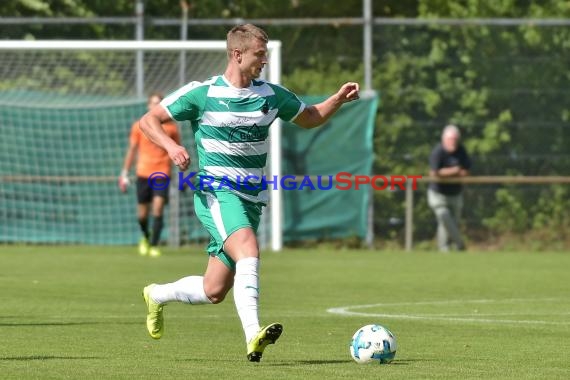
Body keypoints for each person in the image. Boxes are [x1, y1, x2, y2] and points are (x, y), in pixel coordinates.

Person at [138, 24, 359, 362]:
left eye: (265, 54)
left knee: (214, 290)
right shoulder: (203, 93)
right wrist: (170, 146)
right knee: (249, 250)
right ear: (237, 54)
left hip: (251, 201)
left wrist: (337, 100)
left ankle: (156, 294)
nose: (265, 61)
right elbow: (149, 121)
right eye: (259, 54)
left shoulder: (270, 94)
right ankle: (252, 334)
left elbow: (310, 117)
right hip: (216, 192)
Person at [119, 92, 181, 258]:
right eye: (153, 103)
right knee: (142, 215)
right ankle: (145, 238)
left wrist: (182, 175)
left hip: (162, 174)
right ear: (148, 106)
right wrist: (124, 173)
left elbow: (177, 151)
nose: (155, 106)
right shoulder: (139, 126)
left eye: (158, 103)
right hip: (143, 173)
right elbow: (132, 150)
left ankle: (154, 245)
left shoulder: (171, 128)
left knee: (158, 208)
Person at [428, 124, 472, 252]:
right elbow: (434, 173)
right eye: (450, 139)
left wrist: (449, 172)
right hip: (438, 194)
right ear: (444, 139)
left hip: (455, 193)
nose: (453, 142)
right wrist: (454, 170)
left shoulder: (461, 151)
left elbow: (467, 171)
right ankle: (460, 245)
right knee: (444, 215)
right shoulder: (438, 152)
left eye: (455, 139)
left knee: (450, 223)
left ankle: (445, 249)